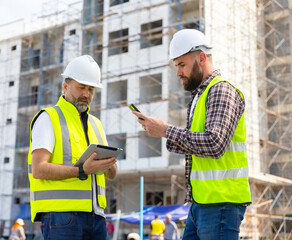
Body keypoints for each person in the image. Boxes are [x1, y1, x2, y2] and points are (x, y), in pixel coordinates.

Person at [131, 29, 251, 239]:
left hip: (221, 204)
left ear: (201, 58)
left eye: (182, 65)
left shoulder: (221, 91)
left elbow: (214, 144)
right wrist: (161, 132)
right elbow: (196, 143)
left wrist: (167, 130)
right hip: (201, 204)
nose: (178, 72)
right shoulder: (201, 95)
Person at [28, 55, 117, 240]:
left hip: (97, 217)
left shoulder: (96, 124)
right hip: (61, 218)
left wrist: (109, 165)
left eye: (91, 89)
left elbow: (111, 175)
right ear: (66, 86)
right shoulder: (48, 118)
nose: (86, 94)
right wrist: (83, 170)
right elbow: (38, 169)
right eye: (81, 87)